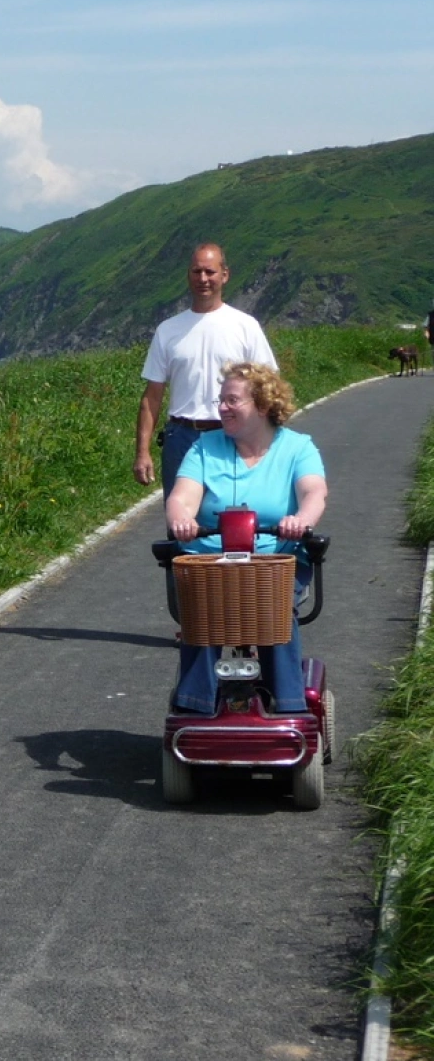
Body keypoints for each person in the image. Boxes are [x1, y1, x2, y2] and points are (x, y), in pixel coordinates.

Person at [165, 361, 328, 715]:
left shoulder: (298, 448)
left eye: (232, 400)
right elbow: (182, 497)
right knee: (203, 605)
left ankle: (288, 706)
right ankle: (194, 708)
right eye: (220, 400)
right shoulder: (205, 447)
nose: (222, 408)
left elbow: (315, 491)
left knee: (274, 604)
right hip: (212, 559)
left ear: (264, 406)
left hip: (274, 559)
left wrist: (299, 521)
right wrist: (181, 520)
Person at [133, 243, 277, 500]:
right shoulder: (168, 330)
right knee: (180, 524)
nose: (203, 279)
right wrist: (142, 452)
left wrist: (270, 442)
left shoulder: (246, 326)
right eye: (196, 271)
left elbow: (268, 388)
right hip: (181, 438)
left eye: (210, 272)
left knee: (235, 519)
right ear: (188, 275)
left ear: (225, 275)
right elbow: (152, 396)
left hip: (234, 434)